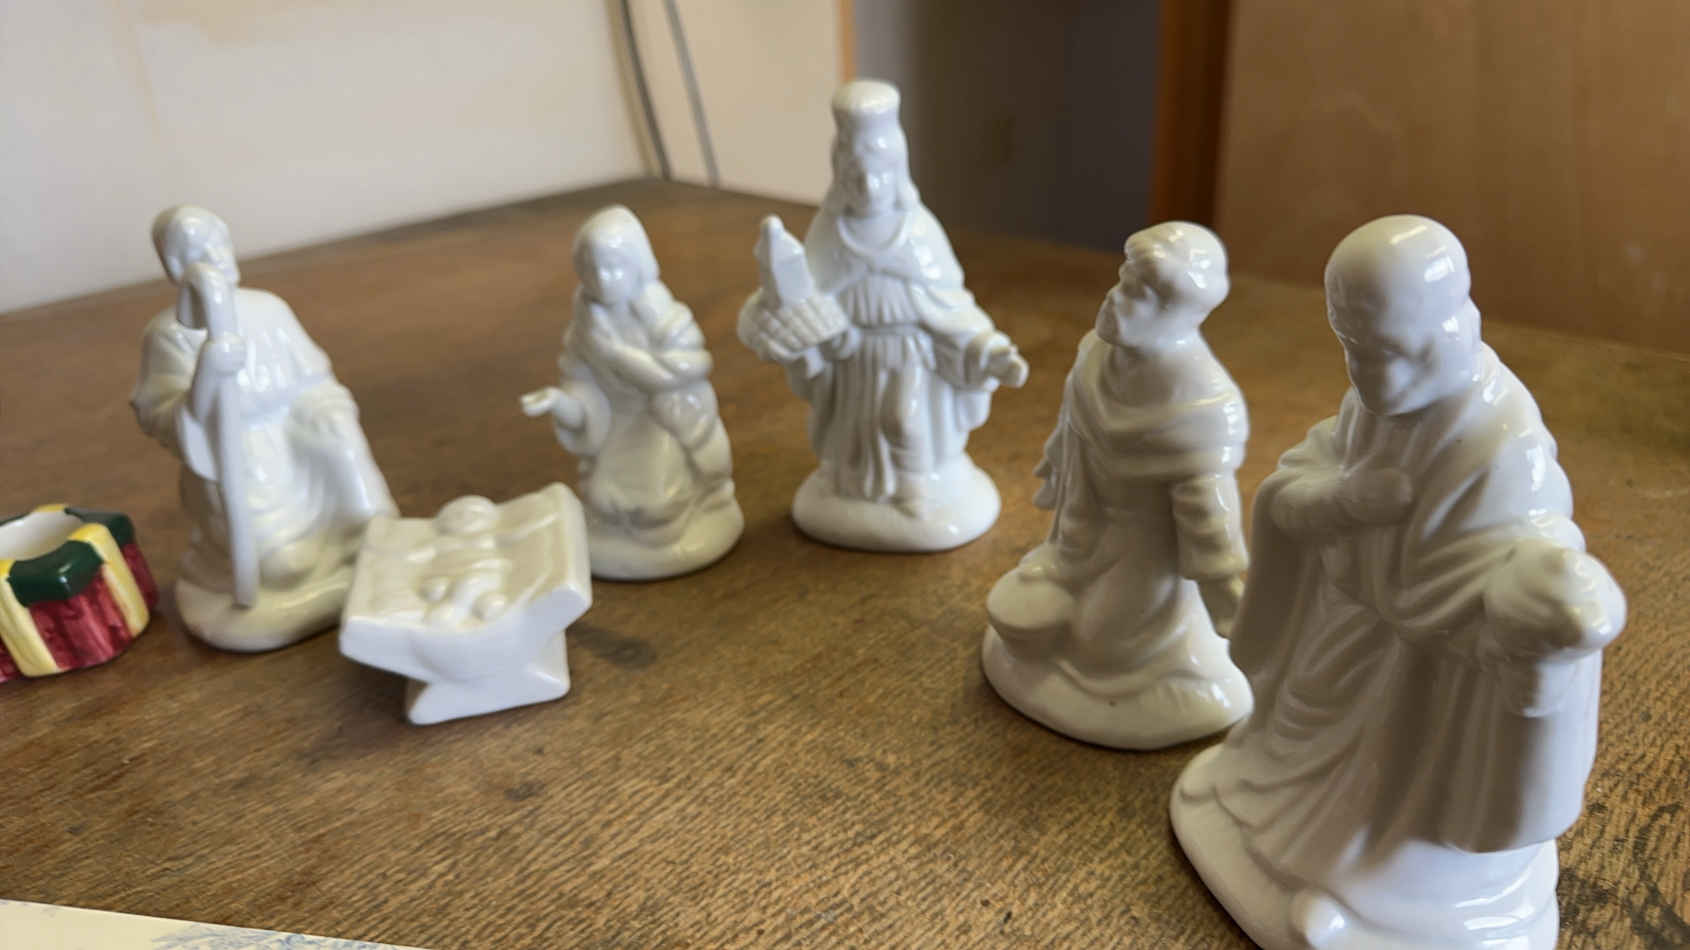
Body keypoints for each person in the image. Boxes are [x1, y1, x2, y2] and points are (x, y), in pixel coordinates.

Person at [1172, 215, 1626, 949]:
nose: (1371, 376)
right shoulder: (1371, 404)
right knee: (1281, 744)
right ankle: (1256, 807)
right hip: (1345, 625)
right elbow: (1302, 481)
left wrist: (1534, 600)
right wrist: (1339, 503)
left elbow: (1527, 559)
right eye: (1353, 350)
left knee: (1391, 791)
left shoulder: (1503, 445)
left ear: (1451, 327)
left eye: (1391, 354)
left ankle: (1373, 902)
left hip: (1430, 669)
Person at [983, 222, 1251, 749]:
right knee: (1027, 610)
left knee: (1101, 645)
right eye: (1123, 280)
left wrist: (1226, 593)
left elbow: (1208, 514)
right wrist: (1058, 480)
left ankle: (1164, 673)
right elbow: (1071, 433)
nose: (1115, 297)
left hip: (1144, 553)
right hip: (1080, 529)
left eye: (1139, 292)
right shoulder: (1096, 354)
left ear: (1180, 313)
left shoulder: (1202, 408)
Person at [767, 79, 1027, 550]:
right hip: (853, 356)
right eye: (856, 177)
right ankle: (853, 484)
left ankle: (915, 487)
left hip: (909, 350)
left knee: (903, 421)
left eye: (880, 175)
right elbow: (809, 296)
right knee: (854, 426)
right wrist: (802, 322)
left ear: (898, 172)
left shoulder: (918, 230)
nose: (869, 187)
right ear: (840, 175)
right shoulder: (830, 231)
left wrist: (984, 347)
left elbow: (949, 301)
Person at [132, 205, 395, 651]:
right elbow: (164, 418)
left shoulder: (269, 309)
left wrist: (328, 413)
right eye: (200, 251)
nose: (217, 256)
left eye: (220, 243)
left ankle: (368, 542)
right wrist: (209, 371)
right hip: (238, 458)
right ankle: (309, 584)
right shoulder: (169, 335)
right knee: (283, 569)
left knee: (353, 477)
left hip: (296, 437)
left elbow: (315, 381)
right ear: (177, 267)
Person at [524, 205, 741, 580]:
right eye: (591, 269)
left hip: (662, 422)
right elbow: (582, 385)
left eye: (614, 267)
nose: (603, 279)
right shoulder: (585, 328)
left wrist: (617, 356)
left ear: (637, 264)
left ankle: (702, 498)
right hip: (617, 427)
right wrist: (560, 403)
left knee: (657, 508)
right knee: (604, 502)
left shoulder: (666, 318)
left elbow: (684, 370)